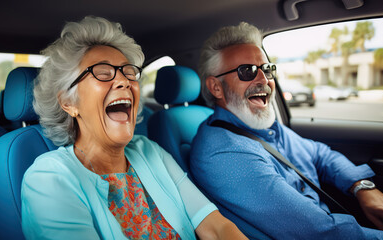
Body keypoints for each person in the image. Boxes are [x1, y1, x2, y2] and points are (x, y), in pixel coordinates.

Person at [21, 16, 247, 240]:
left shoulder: (149, 150)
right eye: (102, 72)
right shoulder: (49, 178)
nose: (124, 81)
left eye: (128, 72)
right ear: (69, 103)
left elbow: (217, 228)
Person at [190, 22, 383, 239]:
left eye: (267, 69)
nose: (264, 80)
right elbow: (320, 232)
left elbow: (319, 153)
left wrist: (361, 186)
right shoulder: (225, 152)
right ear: (216, 87)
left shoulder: (263, 128)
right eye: (247, 71)